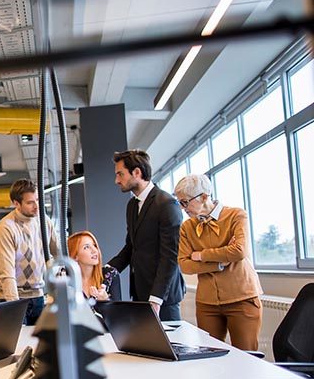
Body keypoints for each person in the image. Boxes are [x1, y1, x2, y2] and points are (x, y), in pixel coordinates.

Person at [174, 174, 263, 351]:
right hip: (207, 303)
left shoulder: (236, 215)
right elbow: (184, 264)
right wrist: (219, 262)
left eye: (185, 202)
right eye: (180, 203)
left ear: (204, 197)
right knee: (208, 356)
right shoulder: (187, 227)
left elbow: (239, 251)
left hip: (242, 297)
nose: (183, 208)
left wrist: (200, 255)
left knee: (247, 356)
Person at [108, 149, 185, 321]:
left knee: (169, 346)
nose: (116, 180)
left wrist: (157, 298)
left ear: (137, 172)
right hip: (140, 294)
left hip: (162, 298)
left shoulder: (167, 204)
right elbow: (131, 247)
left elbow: (170, 256)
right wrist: (106, 271)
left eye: (120, 174)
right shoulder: (132, 205)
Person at [0, 179, 59, 325]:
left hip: (38, 297)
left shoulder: (44, 221)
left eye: (37, 200)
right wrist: (14, 309)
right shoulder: (6, 228)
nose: (36, 206)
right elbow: (7, 273)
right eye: (30, 202)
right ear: (16, 203)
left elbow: (60, 254)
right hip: (12, 297)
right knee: (17, 344)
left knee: (41, 344)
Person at [67, 231, 120, 302]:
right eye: (86, 247)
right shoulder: (66, 279)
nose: (94, 250)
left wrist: (106, 300)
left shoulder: (110, 274)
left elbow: (119, 311)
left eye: (94, 245)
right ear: (75, 256)